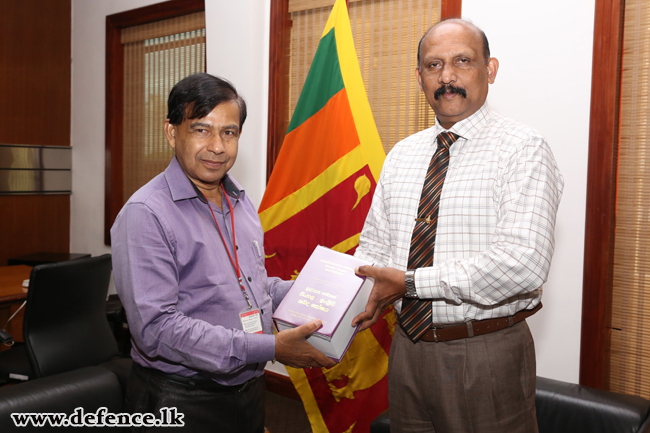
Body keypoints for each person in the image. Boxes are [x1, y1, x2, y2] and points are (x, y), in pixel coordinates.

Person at [352, 19, 564, 433]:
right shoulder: (402, 154)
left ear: (490, 69)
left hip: (484, 353)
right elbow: (374, 246)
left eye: (462, 61)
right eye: (433, 65)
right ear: (419, 77)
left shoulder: (523, 149)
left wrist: (410, 283)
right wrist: (343, 299)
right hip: (406, 350)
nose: (447, 77)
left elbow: (522, 264)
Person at [111, 73, 334, 433]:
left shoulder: (239, 202)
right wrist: (270, 348)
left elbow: (252, 286)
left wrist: (329, 294)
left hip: (247, 391)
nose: (217, 146)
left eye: (228, 132)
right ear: (171, 132)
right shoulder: (146, 214)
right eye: (201, 130)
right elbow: (157, 329)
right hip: (180, 399)